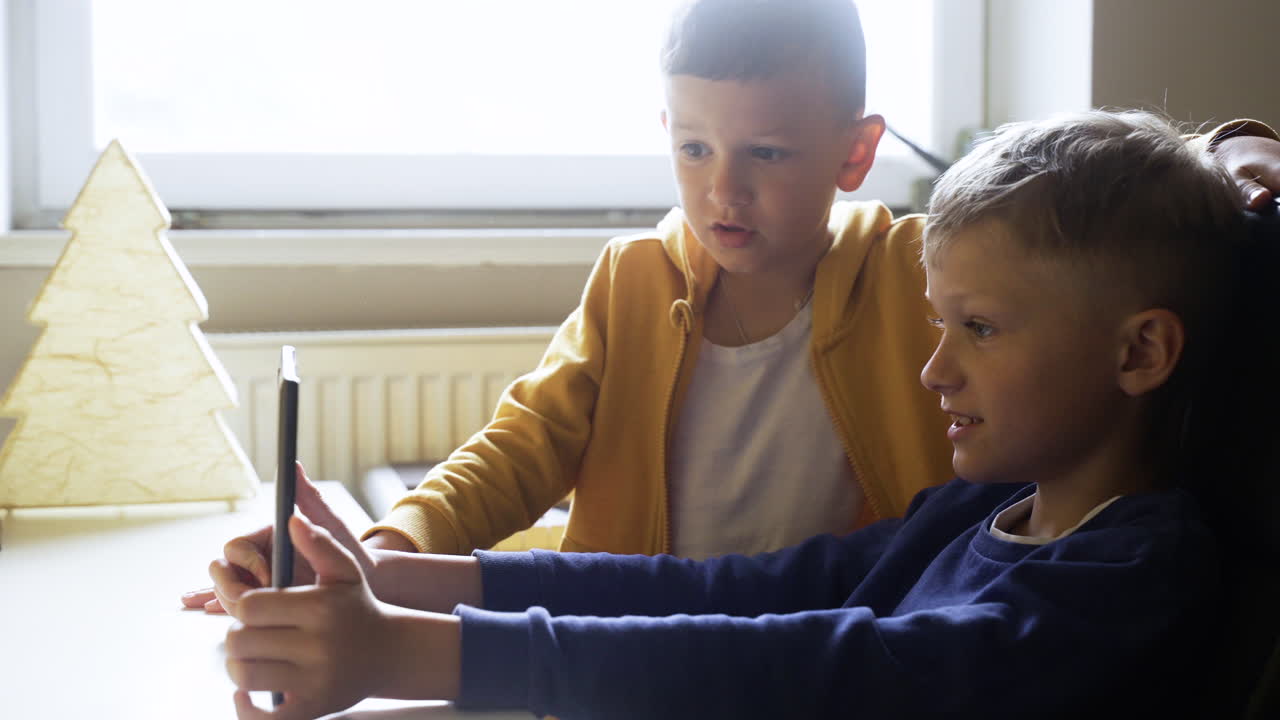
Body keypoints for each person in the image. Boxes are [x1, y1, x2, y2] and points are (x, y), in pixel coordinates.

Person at [186, 0, 1280, 613]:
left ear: (854, 152)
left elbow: (1077, 202)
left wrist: (1232, 148)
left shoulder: (918, 276)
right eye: (694, 148)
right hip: (646, 635)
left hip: (821, 628)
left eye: (766, 153)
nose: (724, 191)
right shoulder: (632, 281)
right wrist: (381, 547)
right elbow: (516, 451)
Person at [221, 110, 1254, 719]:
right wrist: (395, 578)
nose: (934, 369)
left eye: (977, 329)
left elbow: (808, 666)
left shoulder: (1131, 578)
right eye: (941, 325)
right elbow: (743, 592)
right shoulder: (977, 511)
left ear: (1139, 353)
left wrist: (404, 654)